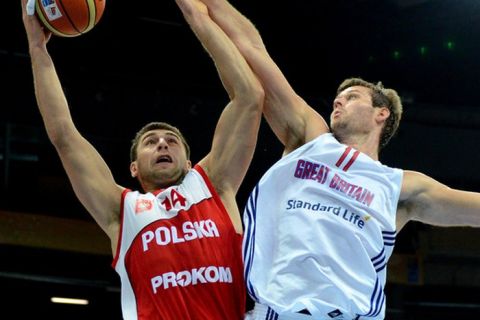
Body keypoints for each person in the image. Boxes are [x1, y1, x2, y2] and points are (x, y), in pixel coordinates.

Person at [190, 1, 480, 319]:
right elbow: (252, 47)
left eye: (352, 96)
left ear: (381, 114)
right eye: (338, 98)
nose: (339, 101)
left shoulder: (399, 186)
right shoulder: (310, 138)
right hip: (275, 312)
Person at [21, 0, 264, 318]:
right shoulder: (122, 212)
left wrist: (195, 15)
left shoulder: (214, 184)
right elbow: (64, 137)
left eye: (172, 141)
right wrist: (37, 48)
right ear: (133, 168)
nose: (163, 144)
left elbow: (249, 97)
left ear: (190, 163)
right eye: (151, 142)